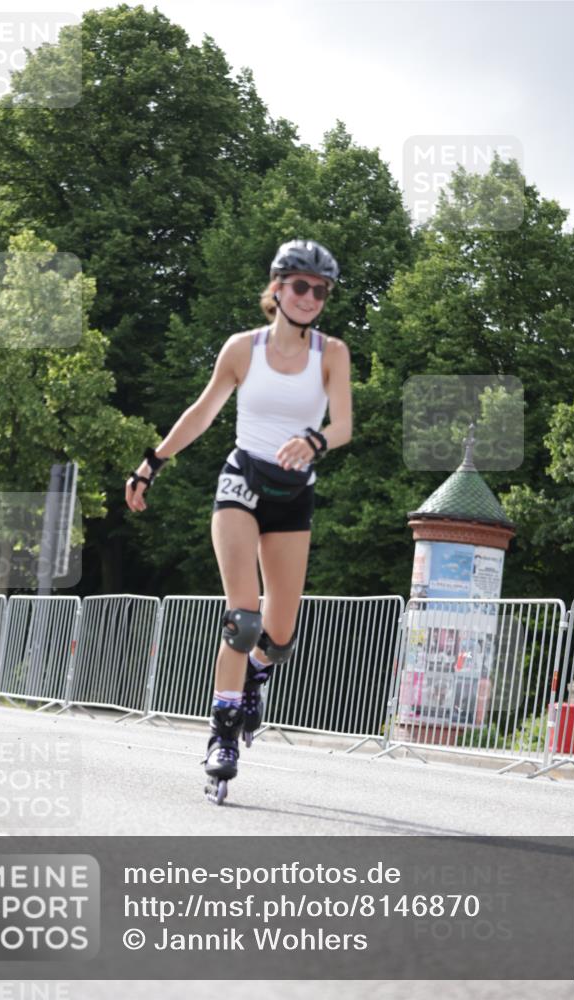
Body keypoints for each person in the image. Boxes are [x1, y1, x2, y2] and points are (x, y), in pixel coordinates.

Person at [125, 239, 352, 803]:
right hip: (241, 482)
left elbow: (345, 422)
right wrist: (152, 463)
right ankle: (222, 735)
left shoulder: (331, 353)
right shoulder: (241, 349)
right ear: (276, 288)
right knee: (244, 620)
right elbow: (203, 411)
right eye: (299, 285)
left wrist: (316, 438)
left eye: (319, 290)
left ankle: (254, 679)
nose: (309, 297)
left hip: (293, 496)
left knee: (277, 639)